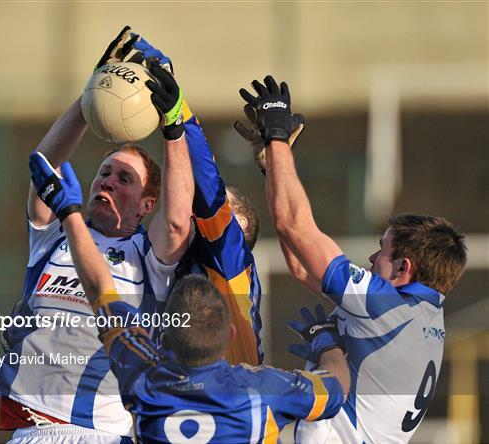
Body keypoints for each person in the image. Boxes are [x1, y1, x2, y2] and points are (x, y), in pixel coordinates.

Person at [27, 151, 351, 443]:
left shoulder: (146, 379)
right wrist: (328, 345)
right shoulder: (259, 388)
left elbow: (99, 289)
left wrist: (70, 214)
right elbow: (335, 389)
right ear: (229, 332)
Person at [0, 26, 193, 443]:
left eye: (124, 179)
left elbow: (177, 224)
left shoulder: (146, 257)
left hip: (93, 432)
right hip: (29, 428)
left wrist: (174, 127)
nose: (108, 182)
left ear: (146, 204)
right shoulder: (56, 235)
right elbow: (43, 164)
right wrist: (90, 97)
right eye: (104, 172)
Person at [237, 75, 468, 443]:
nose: (373, 257)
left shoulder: (384, 307)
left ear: (405, 269)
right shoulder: (421, 315)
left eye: (383, 250)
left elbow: (294, 226)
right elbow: (300, 264)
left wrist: (278, 138)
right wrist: (273, 166)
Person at [132, 36, 264, 365]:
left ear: (240, 224)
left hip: (230, 406)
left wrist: (179, 115)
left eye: (225, 204)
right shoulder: (175, 266)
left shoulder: (230, 261)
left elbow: (207, 189)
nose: (197, 207)